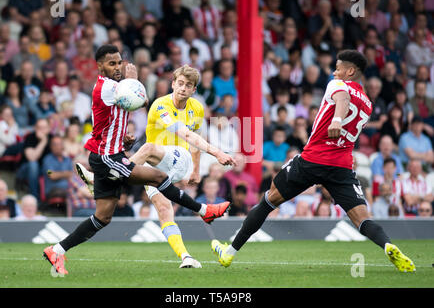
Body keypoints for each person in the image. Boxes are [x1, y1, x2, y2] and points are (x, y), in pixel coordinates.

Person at [211, 50, 415, 273]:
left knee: (268, 200)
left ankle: (229, 253)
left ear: (350, 71)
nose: (334, 72)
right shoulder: (367, 104)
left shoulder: (338, 85)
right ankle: (387, 245)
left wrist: (336, 119)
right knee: (362, 218)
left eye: (337, 68)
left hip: (313, 159)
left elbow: (343, 99)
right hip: (342, 167)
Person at [43, 46, 233, 275]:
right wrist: (133, 79)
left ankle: (57, 250)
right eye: (111, 64)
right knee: (157, 177)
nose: (117, 67)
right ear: (100, 66)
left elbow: (112, 118)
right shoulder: (107, 87)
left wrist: (124, 138)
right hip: (107, 158)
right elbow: (139, 99)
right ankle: (204, 210)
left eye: (119, 63)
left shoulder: (116, 90)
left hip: (113, 153)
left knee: (102, 217)